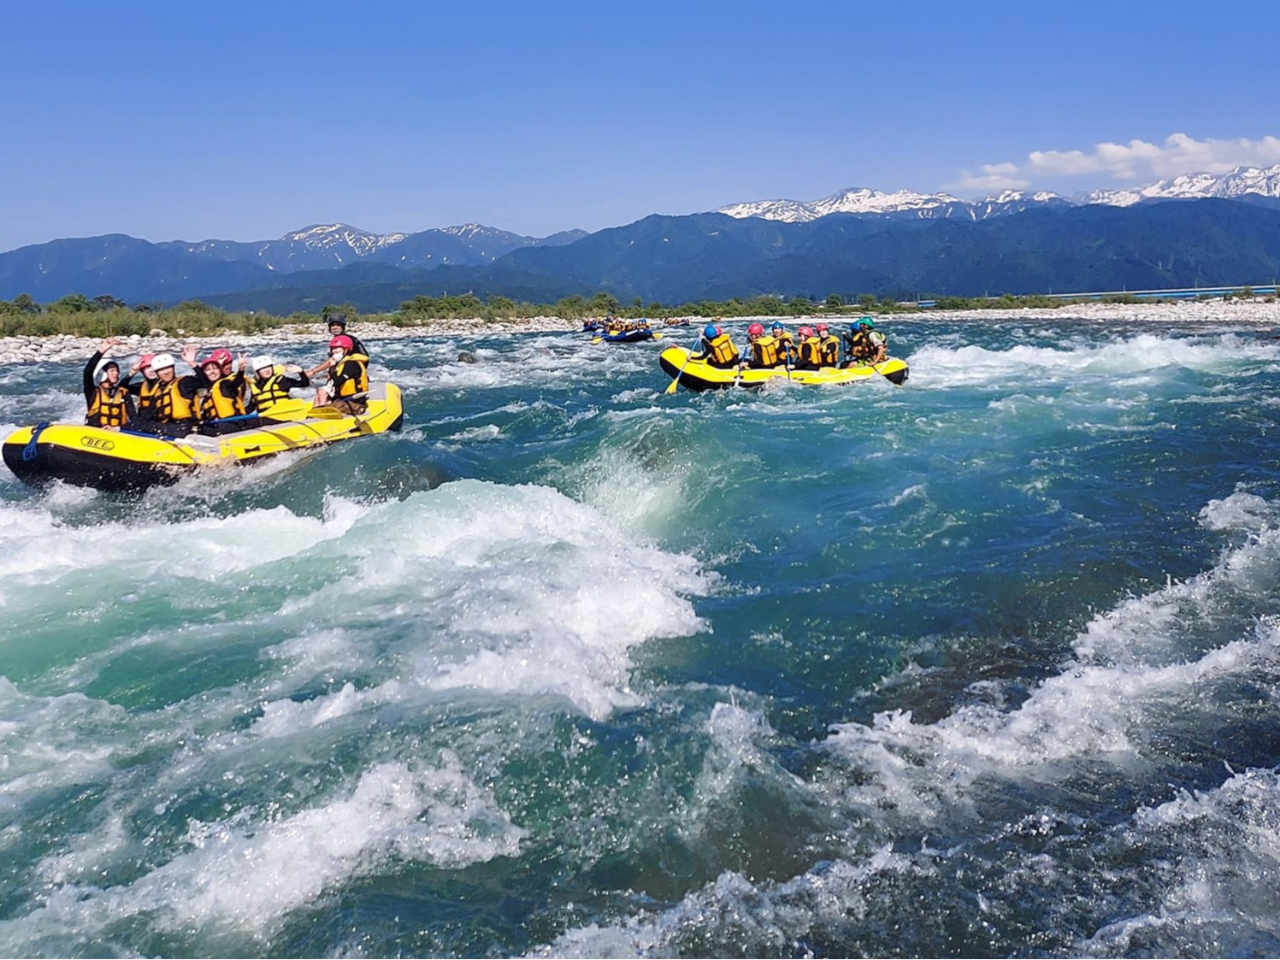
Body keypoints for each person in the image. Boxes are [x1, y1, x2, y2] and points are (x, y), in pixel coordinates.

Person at [138, 347, 202, 436]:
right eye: (161, 370)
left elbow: (204, 382)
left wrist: (192, 363)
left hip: (185, 427)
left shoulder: (184, 383)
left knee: (142, 425)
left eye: (168, 368)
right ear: (157, 373)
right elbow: (147, 414)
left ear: (173, 368)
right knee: (140, 424)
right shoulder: (158, 390)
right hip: (169, 427)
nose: (165, 372)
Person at [82, 338, 135, 430]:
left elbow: (134, 418)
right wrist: (101, 351)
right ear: (102, 373)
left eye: (117, 371)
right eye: (112, 370)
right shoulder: (93, 392)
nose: (116, 373)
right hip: (95, 433)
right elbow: (88, 372)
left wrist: (119, 428)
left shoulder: (123, 393)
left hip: (118, 434)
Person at [195, 351, 253, 435]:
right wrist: (192, 364)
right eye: (225, 364)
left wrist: (241, 370)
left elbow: (236, 382)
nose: (228, 366)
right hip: (212, 424)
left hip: (231, 422)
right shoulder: (203, 385)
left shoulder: (226, 383)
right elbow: (202, 378)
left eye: (229, 363)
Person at [314, 335, 369, 414]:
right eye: (333, 348)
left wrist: (332, 366)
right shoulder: (340, 364)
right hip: (343, 399)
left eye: (337, 348)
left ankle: (321, 415)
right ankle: (314, 416)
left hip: (354, 401)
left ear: (346, 350)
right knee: (320, 394)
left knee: (323, 400)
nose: (334, 351)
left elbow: (337, 381)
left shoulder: (352, 364)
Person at [124, 353, 164, 421]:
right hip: (142, 423)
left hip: (159, 424)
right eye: (147, 368)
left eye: (153, 367)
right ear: (142, 372)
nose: (151, 370)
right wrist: (131, 373)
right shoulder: (141, 386)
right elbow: (120, 389)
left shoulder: (165, 385)